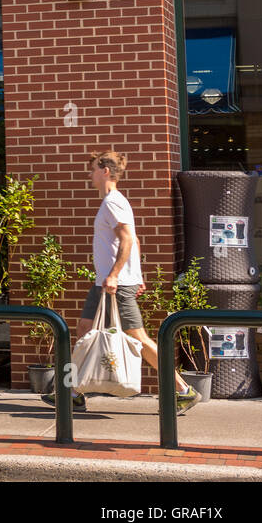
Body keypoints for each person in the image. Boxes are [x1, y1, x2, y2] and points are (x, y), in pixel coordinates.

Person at [43, 151, 197, 414]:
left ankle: (183, 390)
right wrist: (135, 275)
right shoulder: (112, 202)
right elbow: (134, 241)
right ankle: (71, 392)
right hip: (106, 283)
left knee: (139, 338)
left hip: (114, 284)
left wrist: (117, 275)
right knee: (83, 330)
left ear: (104, 171)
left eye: (92, 170)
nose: (89, 175)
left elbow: (127, 239)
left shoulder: (113, 202)